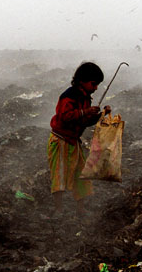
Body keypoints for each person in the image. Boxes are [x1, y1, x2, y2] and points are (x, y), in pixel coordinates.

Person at [47, 62, 111, 219]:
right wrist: (85, 111)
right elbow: (65, 117)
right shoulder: (69, 96)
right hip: (60, 141)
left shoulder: (85, 98)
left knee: (80, 176)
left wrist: (100, 115)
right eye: (94, 84)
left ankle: (80, 209)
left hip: (73, 142)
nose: (96, 88)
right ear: (82, 81)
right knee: (59, 176)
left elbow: (84, 121)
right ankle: (58, 211)